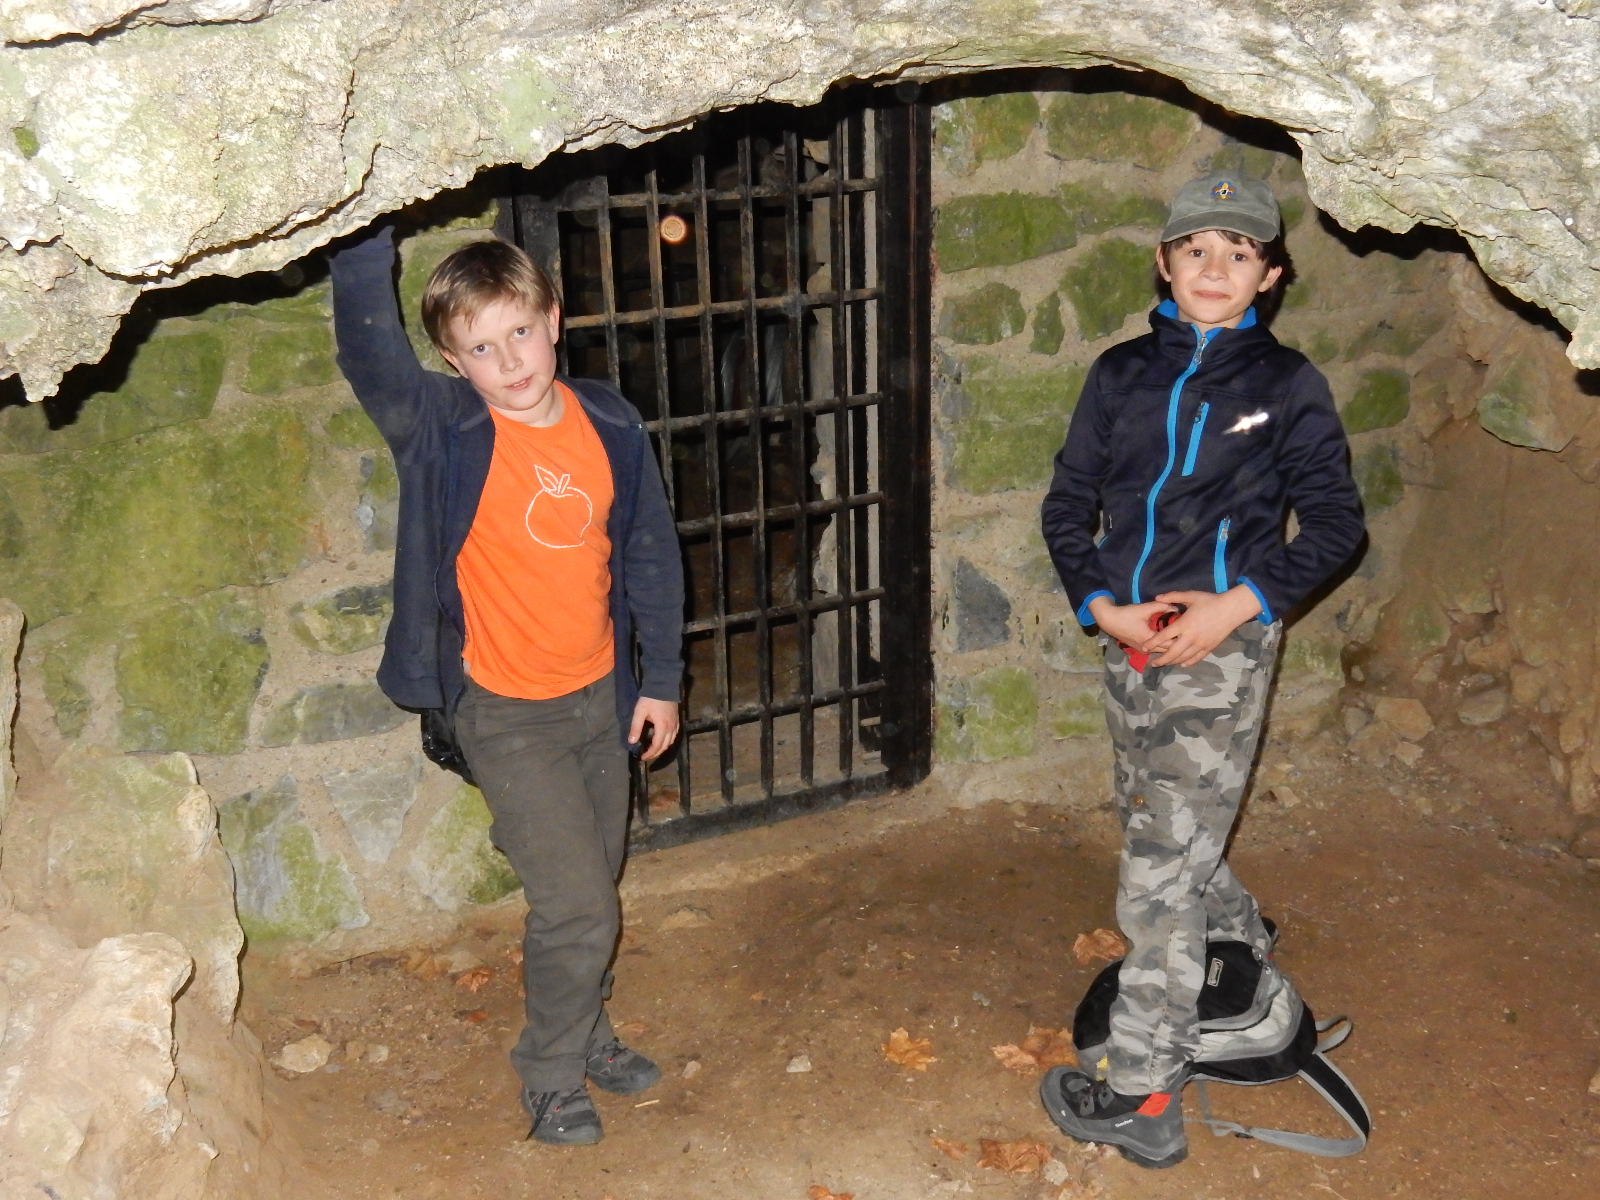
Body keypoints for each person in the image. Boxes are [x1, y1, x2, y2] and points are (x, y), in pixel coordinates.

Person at [329, 225, 685, 1146]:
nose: (509, 361)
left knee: (595, 881)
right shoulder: (444, 429)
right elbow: (371, 359)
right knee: (578, 904)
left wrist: (661, 680)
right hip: (505, 709)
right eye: (480, 348)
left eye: (520, 332)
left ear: (553, 319)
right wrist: (362, 239)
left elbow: (650, 553)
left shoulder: (610, 422)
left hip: (601, 698)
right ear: (453, 362)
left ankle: (589, 1031)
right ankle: (552, 1073)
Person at [1037, 171, 1365, 1168]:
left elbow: (1336, 525)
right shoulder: (1120, 375)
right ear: (1163, 263)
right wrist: (1102, 605)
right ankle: (1239, 951)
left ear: (1269, 275)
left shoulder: (1286, 386)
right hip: (1131, 641)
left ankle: (1142, 1098)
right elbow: (1067, 505)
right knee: (1161, 824)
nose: (1213, 268)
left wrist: (1235, 605)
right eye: (1195, 250)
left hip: (1221, 653)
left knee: (1154, 881)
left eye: (1238, 253)